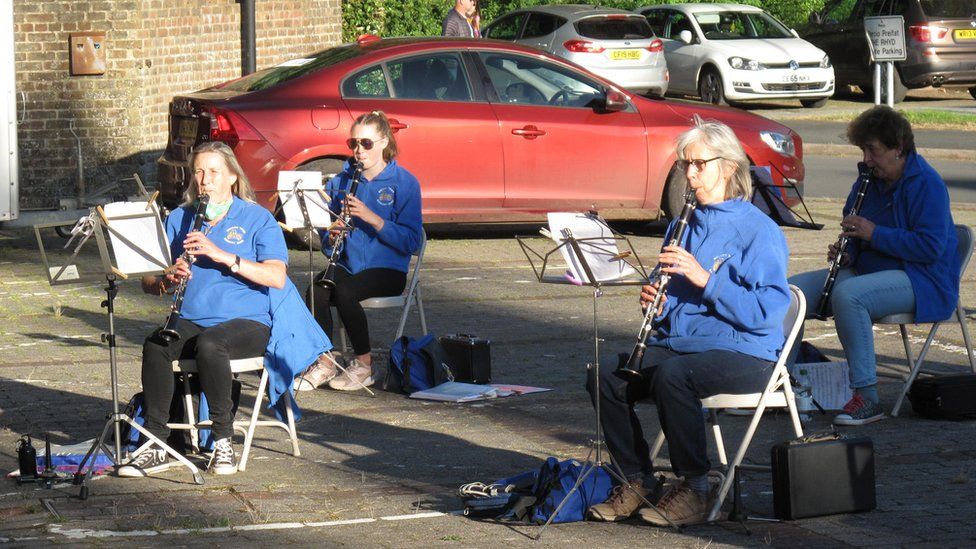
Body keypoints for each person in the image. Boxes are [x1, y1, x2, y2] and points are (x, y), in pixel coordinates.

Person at [586, 118, 791, 526]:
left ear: (729, 167)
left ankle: (697, 486)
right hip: (685, 344)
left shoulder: (759, 231)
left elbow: (767, 311)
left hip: (746, 351)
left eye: (698, 164)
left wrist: (705, 280)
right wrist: (655, 303)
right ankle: (638, 478)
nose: (689, 174)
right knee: (604, 375)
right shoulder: (685, 222)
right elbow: (671, 298)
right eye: (685, 165)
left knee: (674, 376)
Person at [120, 141, 290, 477]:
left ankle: (222, 440)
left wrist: (223, 255)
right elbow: (148, 281)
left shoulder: (257, 218)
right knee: (157, 344)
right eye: (198, 172)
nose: (204, 180)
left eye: (213, 172)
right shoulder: (181, 217)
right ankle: (157, 442)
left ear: (231, 178)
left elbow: (277, 276)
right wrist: (166, 277)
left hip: (247, 322)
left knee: (213, 345)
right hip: (191, 318)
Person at [788, 106, 959, 426]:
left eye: (873, 150)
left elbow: (931, 248)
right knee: (791, 293)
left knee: (850, 295)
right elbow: (856, 231)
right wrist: (850, 249)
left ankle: (867, 396)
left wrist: (874, 233)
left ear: (898, 148)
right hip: (871, 270)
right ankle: (781, 385)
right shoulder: (868, 180)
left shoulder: (926, 184)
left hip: (923, 279)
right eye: (863, 149)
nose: (866, 159)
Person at [296, 111, 423, 392]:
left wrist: (372, 218)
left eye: (366, 143)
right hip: (350, 264)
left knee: (345, 292)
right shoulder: (340, 181)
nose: (358, 150)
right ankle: (325, 360)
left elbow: (412, 241)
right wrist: (329, 235)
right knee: (316, 290)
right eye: (353, 143)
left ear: (383, 141)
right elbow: (329, 245)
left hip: (388, 269)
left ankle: (363, 365)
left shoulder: (404, 183)